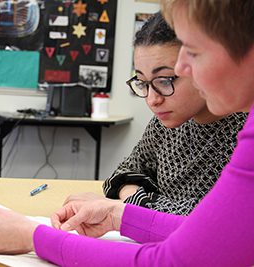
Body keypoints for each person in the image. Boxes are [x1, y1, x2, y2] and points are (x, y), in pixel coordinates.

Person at [0, 1, 254, 265]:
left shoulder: (242, 131)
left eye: (194, 51)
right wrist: (117, 214)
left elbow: (180, 250)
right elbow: (127, 181)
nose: (184, 67)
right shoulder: (175, 123)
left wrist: (33, 237)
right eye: (142, 82)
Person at [101, 12, 246, 215]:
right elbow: (123, 174)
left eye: (165, 80)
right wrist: (133, 195)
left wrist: (136, 202)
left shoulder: (243, 131)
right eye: (143, 82)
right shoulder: (164, 125)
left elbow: (213, 219)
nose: (152, 100)